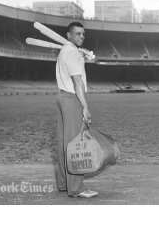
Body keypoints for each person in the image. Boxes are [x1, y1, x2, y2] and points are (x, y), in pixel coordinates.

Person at [55, 21, 98, 198]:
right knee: (75, 145)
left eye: (83, 34)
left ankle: (64, 184)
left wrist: (86, 57)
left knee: (63, 143)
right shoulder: (72, 53)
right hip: (73, 99)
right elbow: (78, 82)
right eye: (77, 34)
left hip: (61, 97)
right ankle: (76, 188)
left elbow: (77, 61)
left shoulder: (67, 50)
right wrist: (85, 107)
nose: (81, 36)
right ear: (69, 35)